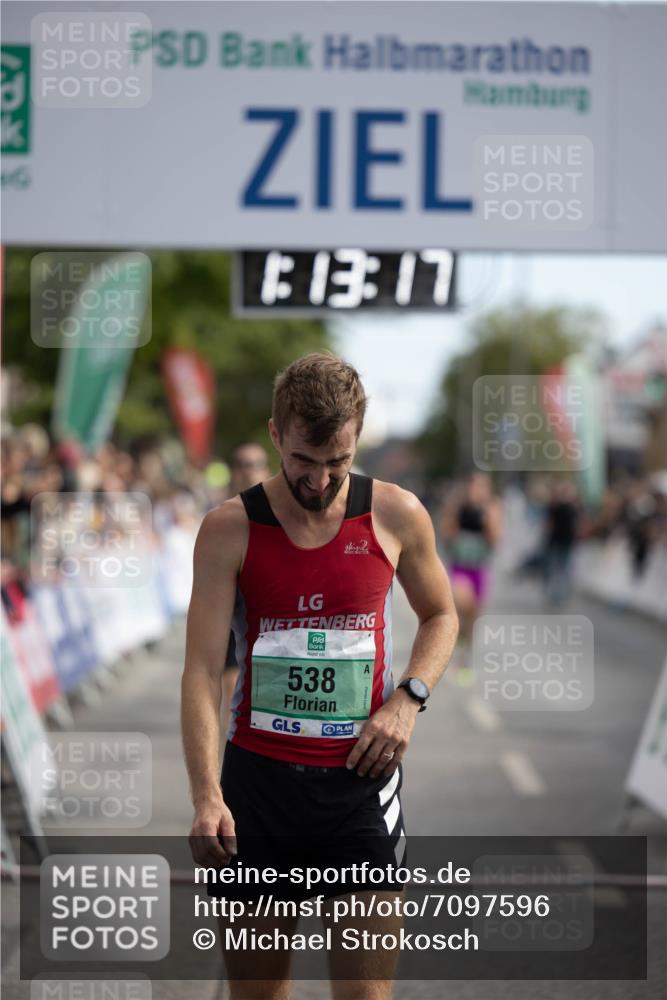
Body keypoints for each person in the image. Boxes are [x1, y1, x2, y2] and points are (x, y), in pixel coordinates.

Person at [182, 353, 458, 1000]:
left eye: (338, 460)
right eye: (304, 461)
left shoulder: (395, 514)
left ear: (357, 436)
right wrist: (204, 794)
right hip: (256, 792)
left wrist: (407, 698)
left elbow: (441, 614)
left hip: (359, 789)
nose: (320, 479)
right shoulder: (229, 528)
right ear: (276, 435)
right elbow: (199, 671)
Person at [221, 443, 270, 735]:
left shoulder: (282, 510)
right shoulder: (221, 511)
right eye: (241, 463)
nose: (247, 469)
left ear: (265, 468)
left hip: (265, 607)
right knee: (230, 677)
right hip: (229, 602)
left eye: (253, 463)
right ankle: (234, 739)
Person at [440, 473, 502, 682]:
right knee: (462, 603)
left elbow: (495, 539)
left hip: (479, 567)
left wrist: (487, 522)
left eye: (482, 487)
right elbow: (447, 532)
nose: (477, 490)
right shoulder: (458, 506)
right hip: (460, 566)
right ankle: (458, 638)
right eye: (474, 486)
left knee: (473, 616)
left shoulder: (492, 508)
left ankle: (465, 658)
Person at [542, 479, 580, 606]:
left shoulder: (572, 508)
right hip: (556, 541)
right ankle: (555, 593)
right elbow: (549, 524)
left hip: (566, 542)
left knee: (563, 568)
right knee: (556, 568)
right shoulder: (556, 507)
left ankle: (560, 593)